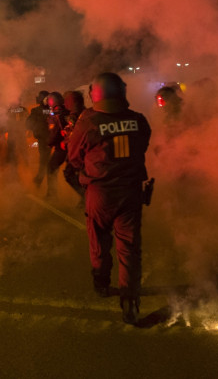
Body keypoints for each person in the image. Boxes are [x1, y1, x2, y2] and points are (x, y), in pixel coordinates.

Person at [67, 72, 151, 325]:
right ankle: (129, 301)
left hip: (100, 192)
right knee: (129, 248)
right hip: (130, 192)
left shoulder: (88, 122)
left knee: (100, 241)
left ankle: (102, 283)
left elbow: (74, 157)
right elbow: (143, 146)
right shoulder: (138, 120)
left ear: (96, 94)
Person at [61, 90, 87, 201]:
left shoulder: (74, 116)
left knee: (69, 174)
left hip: (78, 150)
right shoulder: (86, 112)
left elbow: (73, 135)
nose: (65, 103)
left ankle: (85, 196)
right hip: (87, 149)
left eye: (67, 100)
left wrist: (65, 142)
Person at [45, 92, 69, 197]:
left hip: (62, 147)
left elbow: (54, 132)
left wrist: (49, 143)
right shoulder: (66, 111)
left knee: (51, 168)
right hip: (72, 145)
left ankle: (52, 193)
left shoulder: (56, 114)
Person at [26, 90, 51, 187]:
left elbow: (28, 124)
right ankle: (40, 180)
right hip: (53, 139)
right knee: (47, 162)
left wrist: (35, 129)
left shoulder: (36, 111)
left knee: (45, 161)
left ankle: (40, 180)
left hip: (44, 140)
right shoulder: (52, 109)